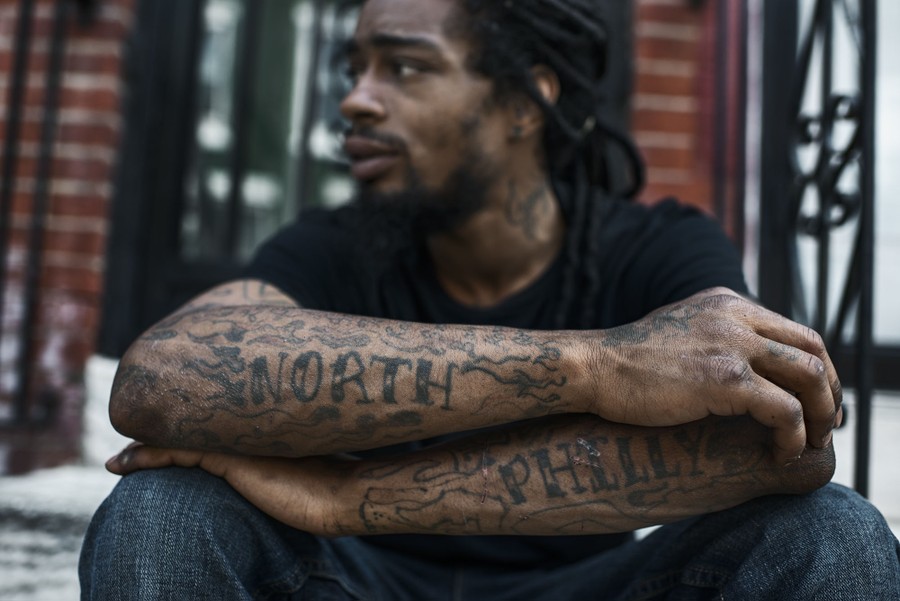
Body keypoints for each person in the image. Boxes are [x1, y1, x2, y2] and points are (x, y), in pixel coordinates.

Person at [79, 0, 900, 598]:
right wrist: (595, 365)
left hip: (597, 586)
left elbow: (778, 450)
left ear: (521, 103)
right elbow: (156, 378)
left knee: (835, 534)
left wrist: (344, 496)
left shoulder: (654, 247)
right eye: (355, 68)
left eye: (403, 67)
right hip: (347, 583)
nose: (356, 100)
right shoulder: (333, 246)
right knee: (163, 511)